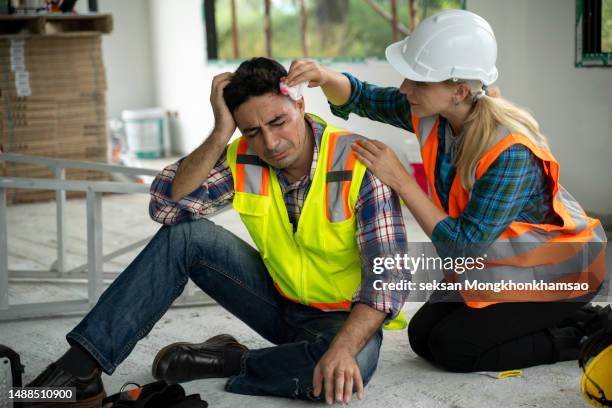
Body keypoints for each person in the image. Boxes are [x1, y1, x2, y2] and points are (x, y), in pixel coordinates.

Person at [25, 57, 410, 406]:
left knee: (342, 370)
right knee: (185, 237)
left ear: (300, 105)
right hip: (275, 302)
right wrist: (220, 132)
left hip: (341, 317)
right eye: (252, 130)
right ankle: (77, 370)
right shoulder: (245, 154)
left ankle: (230, 359)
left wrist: (342, 348)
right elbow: (166, 206)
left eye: (278, 122)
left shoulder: (357, 162)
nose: (270, 143)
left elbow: (389, 279)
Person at [285, 9, 608, 373]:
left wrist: (401, 180)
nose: (406, 89)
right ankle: (561, 319)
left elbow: (462, 246)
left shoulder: (510, 152)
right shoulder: (434, 113)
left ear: (459, 91)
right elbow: (362, 97)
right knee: (422, 335)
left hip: (563, 273)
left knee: (454, 348)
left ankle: (583, 332)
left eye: (419, 82)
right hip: (507, 267)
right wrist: (324, 75)